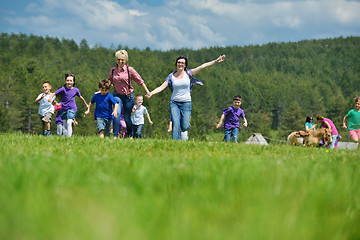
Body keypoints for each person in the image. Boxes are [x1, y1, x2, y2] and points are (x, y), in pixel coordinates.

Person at [146, 54, 226, 140]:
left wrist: (215, 61)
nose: (180, 64)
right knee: (175, 123)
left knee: (184, 127)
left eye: (182, 63)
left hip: (186, 103)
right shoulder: (171, 76)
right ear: (176, 64)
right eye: (178, 62)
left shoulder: (189, 73)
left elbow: (203, 66)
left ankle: (184, 127)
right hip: (174, 103)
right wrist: (151, 93)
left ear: (185, 65)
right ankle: (175, 143)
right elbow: (162, 87)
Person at [108, 49, 151, 138]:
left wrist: (147, 92)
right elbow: (108, 82)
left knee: (127, 118)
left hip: (128, 97)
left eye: (122, 59)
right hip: (117, 95)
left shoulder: (129, 70)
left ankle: (130, 135)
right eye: (118, 59)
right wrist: (101, 91)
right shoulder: (113, 70)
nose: (120, 61)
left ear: (126, 60)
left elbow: (140, 81)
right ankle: (116, 136)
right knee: (117, 113)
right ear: (116, 59)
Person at [48, 73, 88, 137]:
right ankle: (65, 137)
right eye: (67, 80)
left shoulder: (76, 90)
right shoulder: (63, 89)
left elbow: (81, 98)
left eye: (70, 81)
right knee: (65, 125)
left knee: (69, 122)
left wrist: (86, 104)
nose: (69, 82)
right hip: (64, 109)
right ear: (65, 81)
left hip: (72, 108)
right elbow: (54, 93)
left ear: (73, 82)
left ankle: (69, 138)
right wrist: (50, 98)